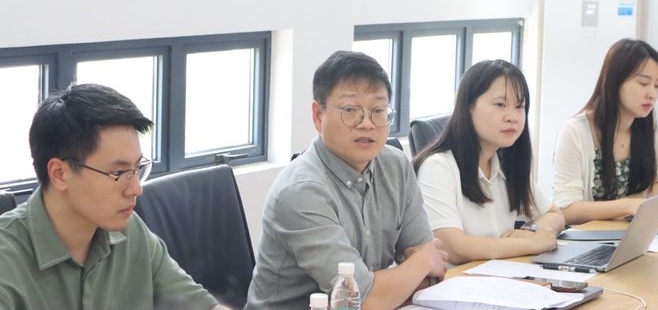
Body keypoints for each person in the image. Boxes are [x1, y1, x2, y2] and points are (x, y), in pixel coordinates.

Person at [245, 51, 448, 310]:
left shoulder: (396, 165)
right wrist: (419, 264)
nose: (367, 124)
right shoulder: (301, 191)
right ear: (318, 115)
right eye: (350, 110)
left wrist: (414, 271)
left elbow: (432, 272)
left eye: (378, 110)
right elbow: (361, 300)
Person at [0, 83, 229, 310]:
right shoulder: (7, 261)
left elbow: (199, 305)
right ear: (60, 174)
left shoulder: (130, 231)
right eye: (118, 173)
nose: (135, 189)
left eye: (137, 168)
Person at [414, 60, 565, 265]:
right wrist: (531, 244)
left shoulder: (507, 163)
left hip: (498, 275)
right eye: (500, 105)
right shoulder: (438, 167)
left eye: (519, 106)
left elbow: (555, 215)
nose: (513, 117)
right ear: (468, 106)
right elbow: (453, 248)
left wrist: (531, 231)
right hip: (454, 280)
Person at [552, 39, 658, 225]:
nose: (653, 94)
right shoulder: (575, 132)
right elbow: (566, 209)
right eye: (643, 83)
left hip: (630, 231)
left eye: (657, 85)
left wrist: (636, 205)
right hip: (587, 237)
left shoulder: (648, 127)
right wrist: (627, 206)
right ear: (615, 82)